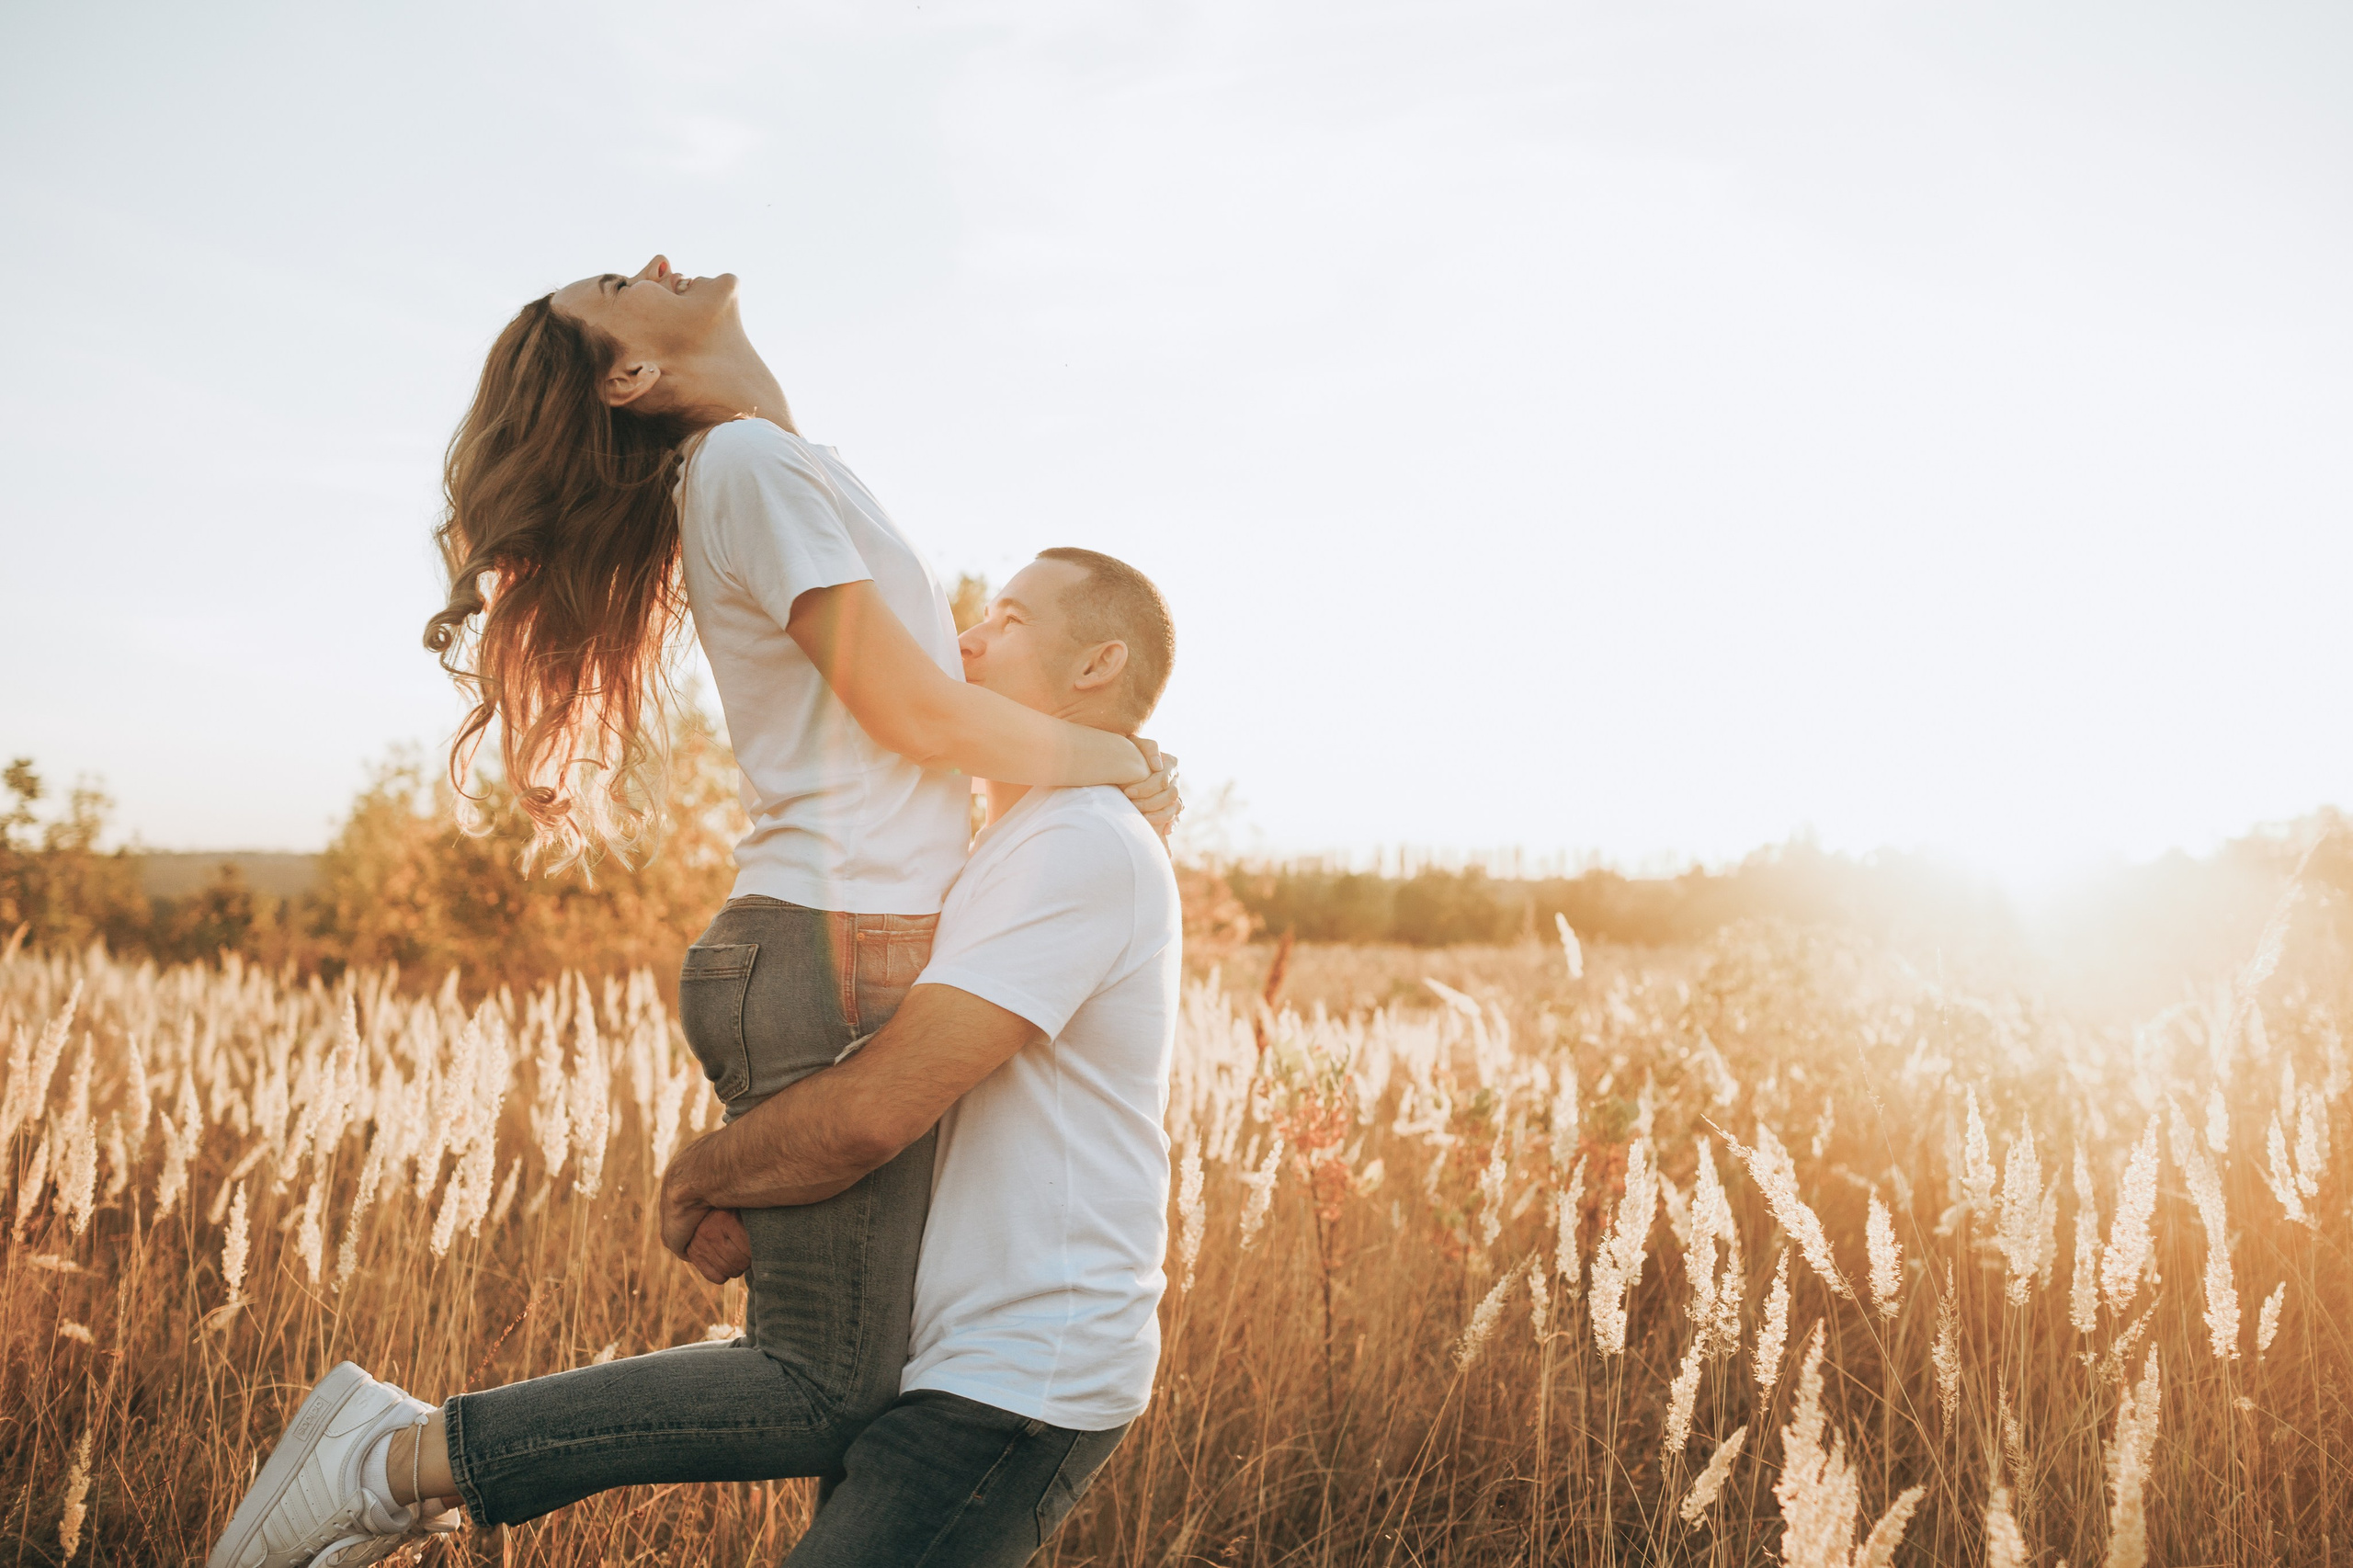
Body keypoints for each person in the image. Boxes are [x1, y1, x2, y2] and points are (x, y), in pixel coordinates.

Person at [204, 254, 1178, 1568]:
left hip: (840, 941)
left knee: (844, 1372)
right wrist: (1124, 756)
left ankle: (402, 1450)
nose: (656, 263)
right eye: (618, 283)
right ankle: (398, 1457)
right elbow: (916, 714)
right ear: (632, 372)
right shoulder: (749, 471)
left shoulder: (782, 464)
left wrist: (753, 1175)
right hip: (830, 939)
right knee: (822, 1382)